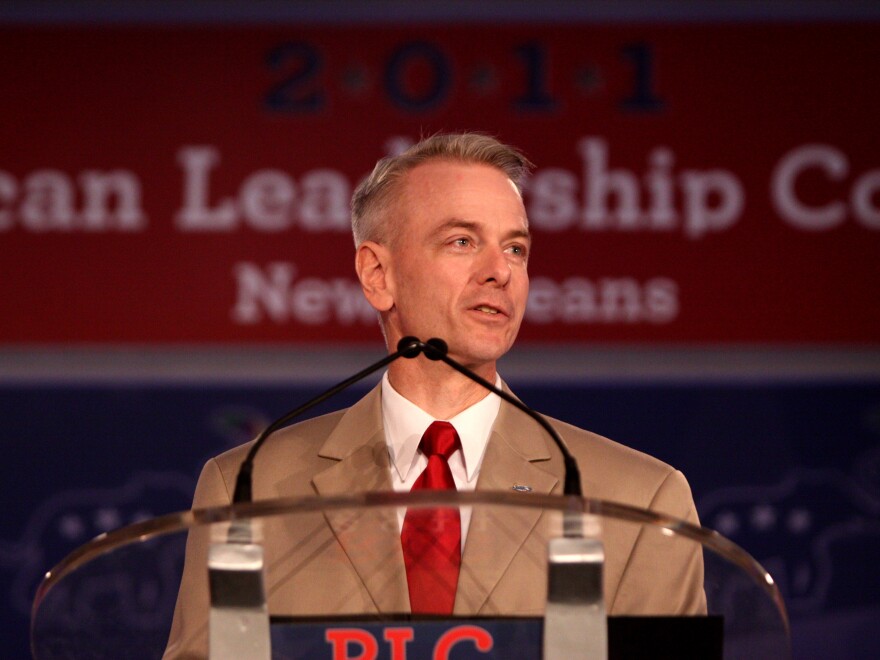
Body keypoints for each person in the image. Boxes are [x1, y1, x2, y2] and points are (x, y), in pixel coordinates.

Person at [164, 133, 704, 657]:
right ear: (378, 275)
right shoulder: (248, 490)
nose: (500, 272)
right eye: (462, 241)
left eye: (516, 248)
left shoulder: (639, 503)